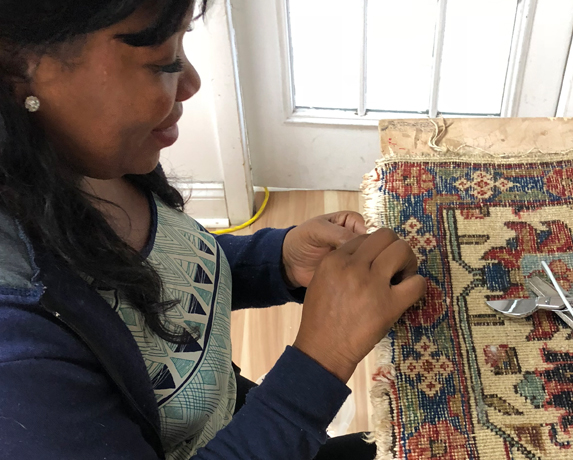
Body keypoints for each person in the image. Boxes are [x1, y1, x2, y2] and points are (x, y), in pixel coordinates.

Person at [0, 1, 426, 459]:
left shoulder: (84, 161)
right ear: (17, 65)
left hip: (244, 425)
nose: (192, 83)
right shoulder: (18, 359)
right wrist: (324, 356)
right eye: (162, 62)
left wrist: (278, 260)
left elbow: (149, 281)